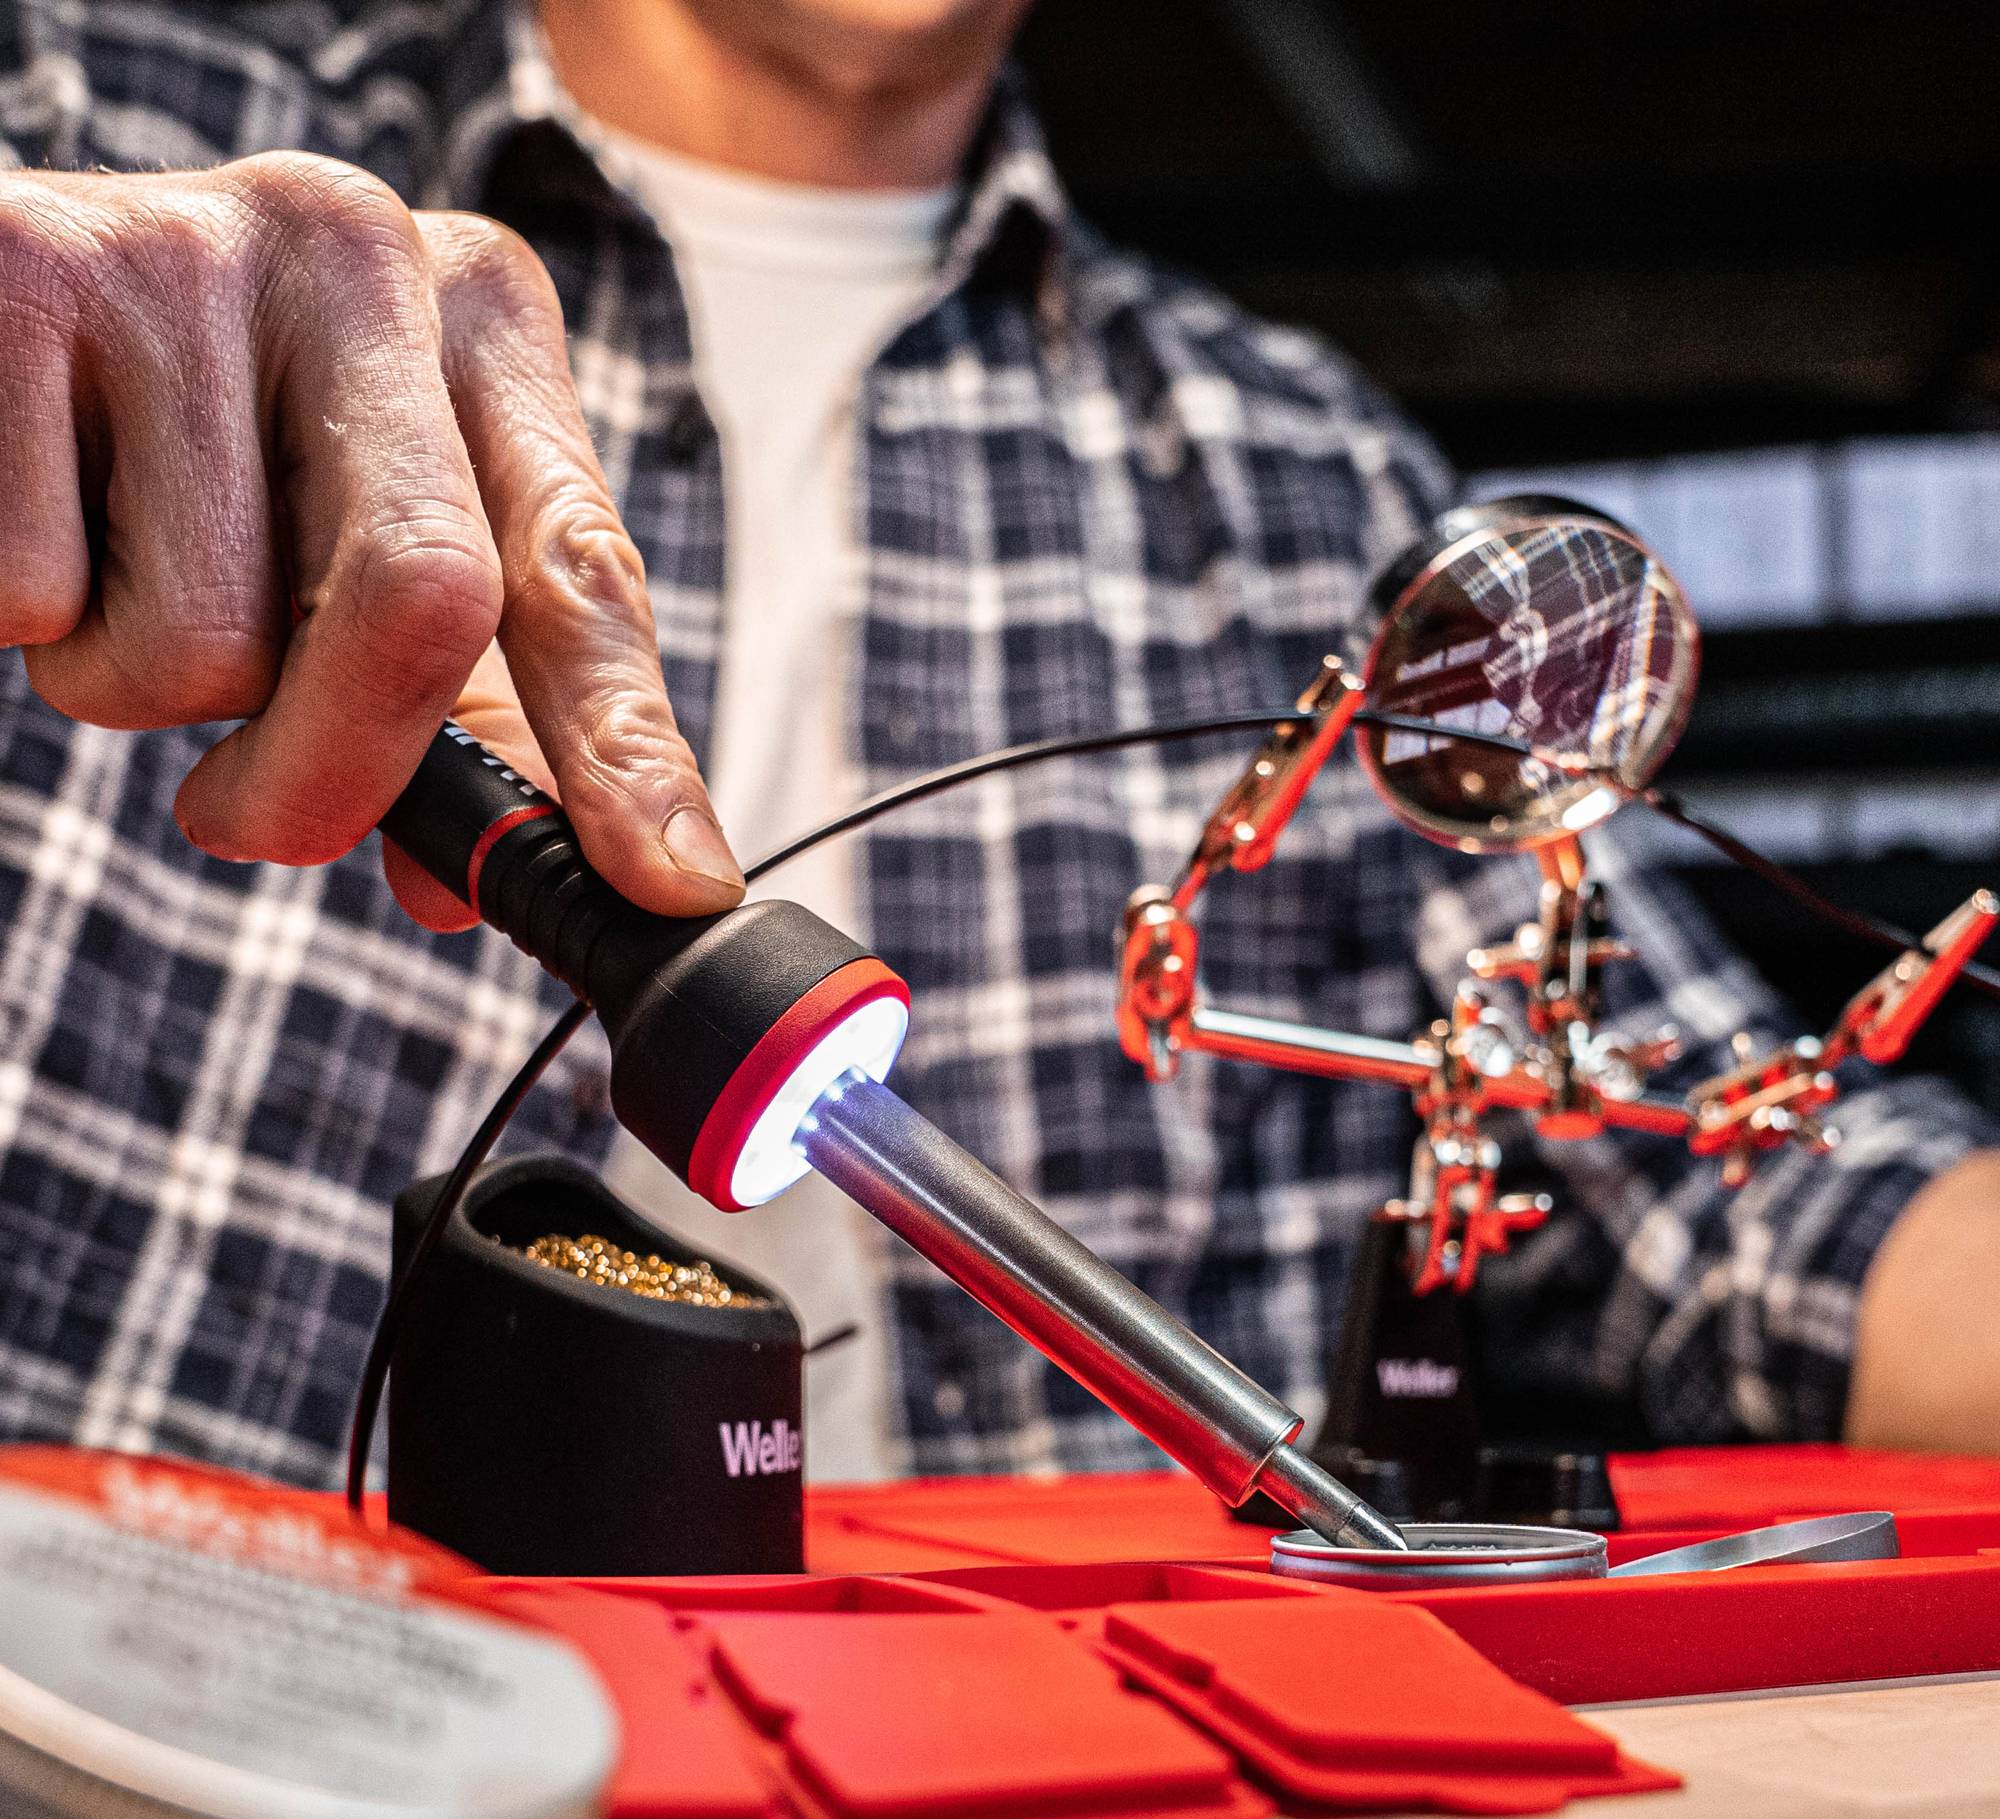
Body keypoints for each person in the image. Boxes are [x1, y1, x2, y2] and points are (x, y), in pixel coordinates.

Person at [0, 0, 1992, 1491]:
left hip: (1058, 1816)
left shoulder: (1304, 479)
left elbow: (1734, 1188)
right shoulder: (86, 131)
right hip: (159, 1773)